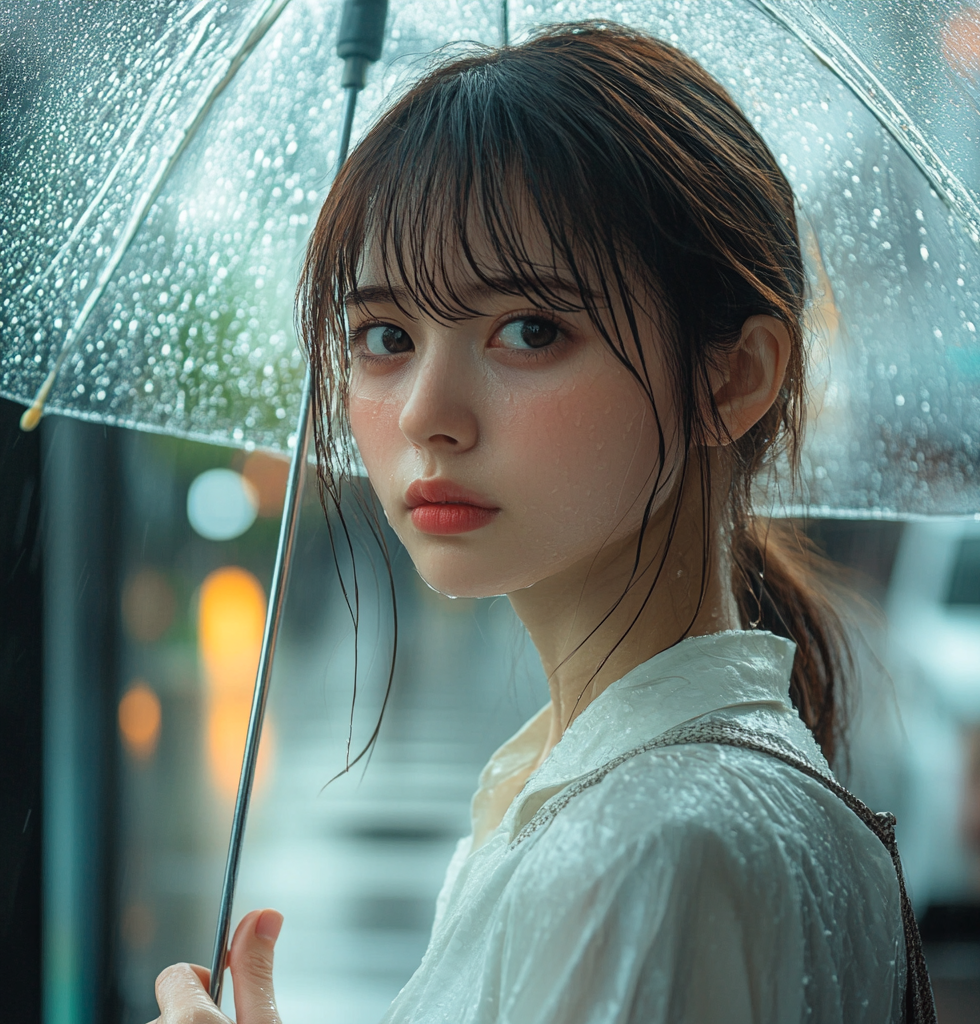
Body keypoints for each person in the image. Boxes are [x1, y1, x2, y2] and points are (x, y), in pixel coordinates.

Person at [151, 22, 922, 1024]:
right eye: (384, 336)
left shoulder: (644, 846)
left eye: (530, 329)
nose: (428, 411)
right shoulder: (643, 794)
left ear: (730, 376)